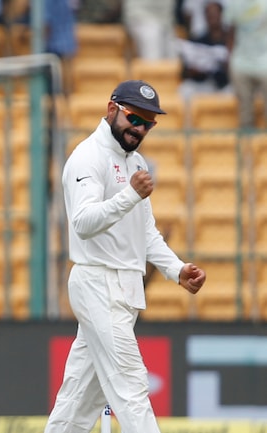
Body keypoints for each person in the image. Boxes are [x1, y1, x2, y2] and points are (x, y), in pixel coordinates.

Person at [44, 80, 207, 433]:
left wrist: (175, 269)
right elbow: (83, 223)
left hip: (123, 287)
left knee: (78, 400)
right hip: (98, 281)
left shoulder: (135, 161)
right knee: (131, 385)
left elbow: (145, 231)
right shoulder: (88, 157)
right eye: (134, 119)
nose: (139, 129)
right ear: (111, 109)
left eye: (148, 123)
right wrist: (129, 196)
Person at [222, 0, 267, 128]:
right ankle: (247, 146)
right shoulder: (234, 3)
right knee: (245, 114)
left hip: (265, 62)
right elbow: (230, 32)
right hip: (241, 63)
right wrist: (230, 58)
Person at [177, 0, 231, 100]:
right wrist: (193, 71)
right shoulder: (197, 40)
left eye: (215, 14)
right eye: (210, 15)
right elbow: (183, 73)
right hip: (203, 84)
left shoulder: (229, 40)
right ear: (205, 17)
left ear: (222, 15)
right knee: (185, 89)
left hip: (224, 85)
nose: (213, 18)